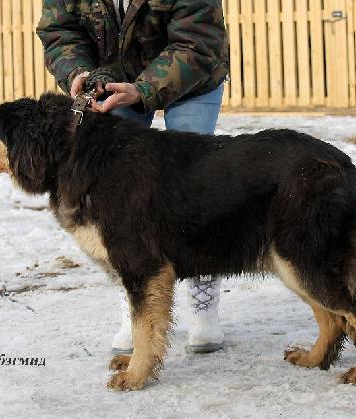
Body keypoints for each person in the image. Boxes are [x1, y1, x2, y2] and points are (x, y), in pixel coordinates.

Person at [37, 0, 229, 353]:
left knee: (194, 181)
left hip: (192, 76)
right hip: (112, 80)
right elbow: (60, 30)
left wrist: (143, 90)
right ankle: (134, 298)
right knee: (116, 192)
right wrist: (77, 72)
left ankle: (203, 301)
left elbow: (197, 41)